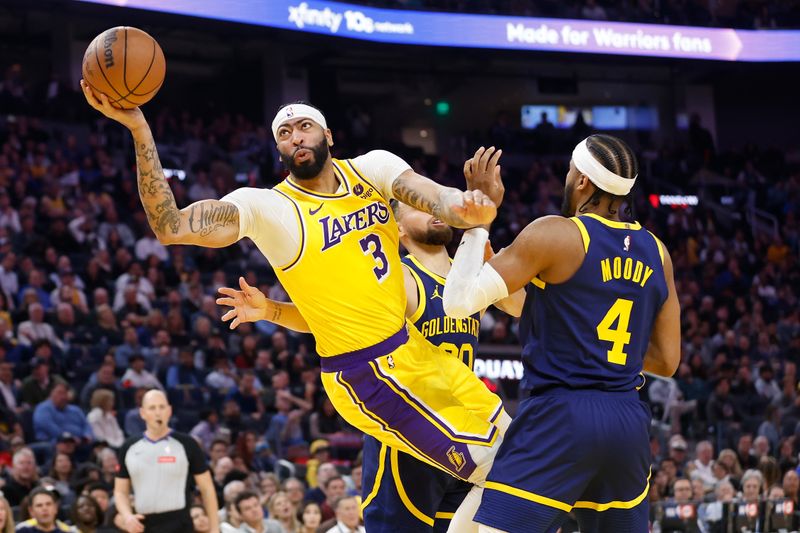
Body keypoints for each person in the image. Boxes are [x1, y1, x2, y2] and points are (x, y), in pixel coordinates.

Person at [81, 87, 509, 497]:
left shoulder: (372, 168)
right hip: (367, 374)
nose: (295, 137)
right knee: (497, 467)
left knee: (515, 445)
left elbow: (437, 198)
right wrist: (139, 129)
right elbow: (170, 226)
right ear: (279, 150)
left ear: (328, 135)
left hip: (415, 348)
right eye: (284, 133)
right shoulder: (269, 209)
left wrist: (467, 204)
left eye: (304, 126)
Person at [443, 137, 681, 532]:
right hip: (627, 422)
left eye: (569, 172)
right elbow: (668, 361)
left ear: (582, 180)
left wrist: (479, 221)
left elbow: (458, 302)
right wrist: (596, 351)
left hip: (561, 416)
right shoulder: (658, 252)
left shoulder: (556, 233)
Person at [114, 389, 220, 533]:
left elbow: (207, 489)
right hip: (143, 525)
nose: (158, 412)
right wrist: (127, 516)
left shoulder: (187, 444)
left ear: (169, 411)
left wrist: (214, 529)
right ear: (142, 413)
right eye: (152, 408)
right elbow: (120, 491)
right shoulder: (129, 447)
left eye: (162, 407)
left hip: (180, 524)